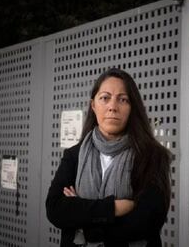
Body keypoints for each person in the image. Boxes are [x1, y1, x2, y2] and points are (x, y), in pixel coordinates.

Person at [46, 68, 172, 247]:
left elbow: (147, 220)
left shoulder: (151, 156)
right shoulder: (74, 155)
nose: (113, 106)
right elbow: (55, 209)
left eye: (123, 99)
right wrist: (114, 208)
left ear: (132, 108)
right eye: (105, 98)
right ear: (93, 106)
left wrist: (83, 218)